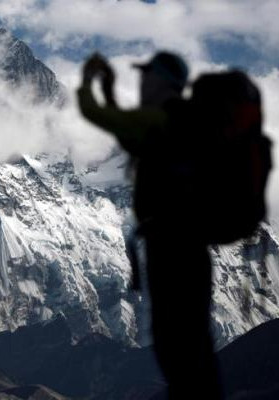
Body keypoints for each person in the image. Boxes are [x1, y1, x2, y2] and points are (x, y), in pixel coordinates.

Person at [77, 52, 223, 400]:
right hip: (195, 249)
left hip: (167, 247)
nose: (142, 83)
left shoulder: (157, 119)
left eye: (147, 78)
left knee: (174, 346)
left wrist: (88, 83)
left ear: (161, 81)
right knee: (196, 346)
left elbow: (98, 116)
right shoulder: (190, 124)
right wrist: (112, 91)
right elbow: (131, 140)